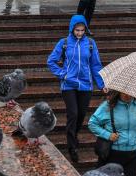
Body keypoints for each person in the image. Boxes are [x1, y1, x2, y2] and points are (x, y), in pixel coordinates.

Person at [47, 14, 107, 163]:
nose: (79, 33)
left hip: (86, 85)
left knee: (81, 115)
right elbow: (51, 61)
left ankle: (74, 134)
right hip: (69, 85)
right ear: (72, 29)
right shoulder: (64, 42)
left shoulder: (91, 43)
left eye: (82, 30)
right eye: (77, 30)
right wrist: (63, 74)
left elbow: (95, 65)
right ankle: (72, 146)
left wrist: (101, 84)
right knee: (73, 114)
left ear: (86, 29)